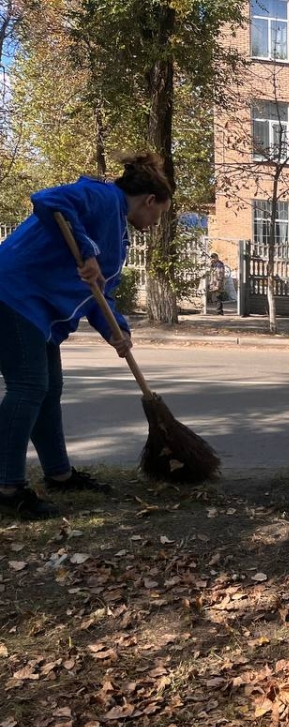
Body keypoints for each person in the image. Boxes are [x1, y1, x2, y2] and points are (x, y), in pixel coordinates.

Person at [0, 151, 173, 520]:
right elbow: (48, 201)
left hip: (38, 310)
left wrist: (117, 332)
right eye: (159, 214)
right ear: (150, 200)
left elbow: (99, 293)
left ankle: (59, 474)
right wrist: (85, 247)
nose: (156, 223)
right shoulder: (101, 197)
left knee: (49, 389)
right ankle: (7, 486)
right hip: (13, 294)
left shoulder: (118, 235)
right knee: (30, 386)